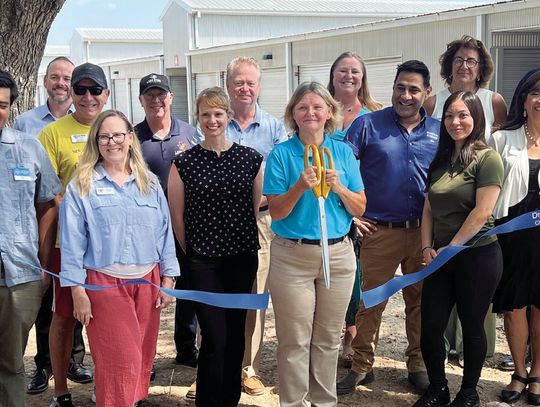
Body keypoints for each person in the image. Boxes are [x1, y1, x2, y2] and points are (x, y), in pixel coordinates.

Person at [59, 109, 179, 407]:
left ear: (130, 139)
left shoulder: (149, 183)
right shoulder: (81, 185)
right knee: (120, 361)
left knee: (139, 358)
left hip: (148, 282)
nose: (112, 142)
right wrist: (77, 291)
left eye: (118, 135)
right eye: (104, 136)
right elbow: (73, 244)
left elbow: (165, 231)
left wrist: (169, 275)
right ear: (96, 142)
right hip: (104, 285)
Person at [338, 60, 439, 395]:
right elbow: (342, 169)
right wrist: (350, 215)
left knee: (421, 302)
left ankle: (418, 365)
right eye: (400, 87)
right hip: (378, 231)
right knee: (370, 302)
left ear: (426, 93)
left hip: (424, 234)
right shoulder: (367, 126)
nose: (405, 95)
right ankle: (362, 366)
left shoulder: (440, 132)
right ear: (392, 88)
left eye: (413, 89)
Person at [264, 81, 366, 406]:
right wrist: (298, 187)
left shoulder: (343, 151)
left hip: (337, 253)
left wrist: (340, 189)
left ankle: (324, 402)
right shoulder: (282, 154)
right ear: (293, 114)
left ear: (329, 112)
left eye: (317, 107)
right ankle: (294, 402)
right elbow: (276, 211)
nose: (310, 112)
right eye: (303, 107)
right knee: (294, 340)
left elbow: (360, 207)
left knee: (327, 339)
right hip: (292, 255)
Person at [167, 87, 263, 407]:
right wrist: (193, 254)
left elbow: (254, 210)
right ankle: (208, 401)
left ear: (229, 117)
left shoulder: (251, 160)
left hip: (241, 259)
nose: (212, 120)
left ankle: (229, 400)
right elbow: (177, 218)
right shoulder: (184, 163)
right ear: (198, 117)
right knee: (214, 336)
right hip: (202, 262)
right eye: (206, 114)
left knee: (236, 335)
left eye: (218, 114)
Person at [415, 91, 503, 407]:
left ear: (476, 118)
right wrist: (427, 246)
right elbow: (428, 208)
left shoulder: (488, 158)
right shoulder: (440, 159)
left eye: (463, 115)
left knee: (471, 324)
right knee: (431, 327)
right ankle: (438, 389)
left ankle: (468, 393)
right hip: (440, 257)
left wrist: (452, 247)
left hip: (478, 256)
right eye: (450, 115)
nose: (455, 121)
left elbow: (482, 212)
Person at [424, 35, 507, 365]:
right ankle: (442, 351)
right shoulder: (433, 101)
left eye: (471, 60)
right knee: (439, 299)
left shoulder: (493, 99)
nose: (464, 65)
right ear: (449, 64)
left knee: (474, 299)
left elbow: (498, 144)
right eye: (458, 59)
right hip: (443, 191)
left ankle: (470, 353)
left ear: (481, 67)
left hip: (480, 197)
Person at [14, 56, 92, 396]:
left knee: (83, 305)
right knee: (53, 308)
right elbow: (38, 190)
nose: (63, 84)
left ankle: (76, 361)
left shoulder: (106, 126)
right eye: (57, 78)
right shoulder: (32, 125)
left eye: (68, 79)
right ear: (47, 82)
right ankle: (45, 367)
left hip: (95, 241)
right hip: (52, 231)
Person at [38, 62, 110, 407]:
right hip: (66, 245)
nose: (87, 97)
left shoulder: (115, 129)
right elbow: (47, 195)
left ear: (105, 94)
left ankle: (107, 385)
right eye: (79, 90)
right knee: (64, 318)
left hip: (110, 245)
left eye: (94, 90)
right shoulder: (52, 134)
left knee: (108, 318)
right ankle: (61, 391)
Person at [225, 56, 288, 396]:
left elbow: (279, 176)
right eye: (239, 82)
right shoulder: (216, 122)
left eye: (251, 82)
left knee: (255, 294)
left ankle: (247, 368)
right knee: (219, 292)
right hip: (220, 222)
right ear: (228, 85)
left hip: (262, 219)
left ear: (259, 86)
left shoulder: (275, 128)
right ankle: (215, 365)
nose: (245, 88)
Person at [0, 69, 62, 407]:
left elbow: (48, 206)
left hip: (20, 276)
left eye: (2, 104)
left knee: (11, 363)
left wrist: (42, 264)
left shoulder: (27, 148)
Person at [134, 73, 199, 372]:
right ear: (141, 101)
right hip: (148, 229)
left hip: (186, 224)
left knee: (188, 286)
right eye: (149, 95)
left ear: (171, 97)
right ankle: (143, 354)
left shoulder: (190, 133)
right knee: (151, 290)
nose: (156, 100)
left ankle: (186, 348)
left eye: (161, 94)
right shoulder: (133, 137)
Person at [327, 51, 382, 367]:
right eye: (343, 71)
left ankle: (353, 340)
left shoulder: (375, 115)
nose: (349, 76)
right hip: (328, 211)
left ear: (363, 79)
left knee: (360, 280)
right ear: (333, 75)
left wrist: (358, 213)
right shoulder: (318, 111)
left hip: (366, 212)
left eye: (355, 72)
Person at [490, 68, 540, 405]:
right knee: (515, 307)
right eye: (536, 93)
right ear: (524, 100)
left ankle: (538, 375)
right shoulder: (501, 140)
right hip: (513, 236)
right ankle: (519, 373)